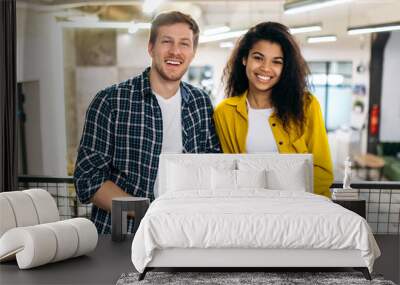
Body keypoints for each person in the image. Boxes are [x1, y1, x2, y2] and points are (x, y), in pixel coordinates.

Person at [74, 11, 221, 234]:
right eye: (166, 41)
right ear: (151, 47)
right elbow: (88, 179)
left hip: (185, 230)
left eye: (184, 44)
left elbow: (212, 166)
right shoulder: (111, 101)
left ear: (192, 53)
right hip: (124, 233)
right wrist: (149, 213)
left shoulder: (200, 102)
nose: (175, 51)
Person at [213, 22, 333, 197]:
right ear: (244, 59)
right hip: (248, 210)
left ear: (285, 68)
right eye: (258, 58)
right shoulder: (225, 112)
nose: (266, 68)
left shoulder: (306, 105)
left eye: (276, 62)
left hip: (299, 211)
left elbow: (322, 171)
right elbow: (230, 172)